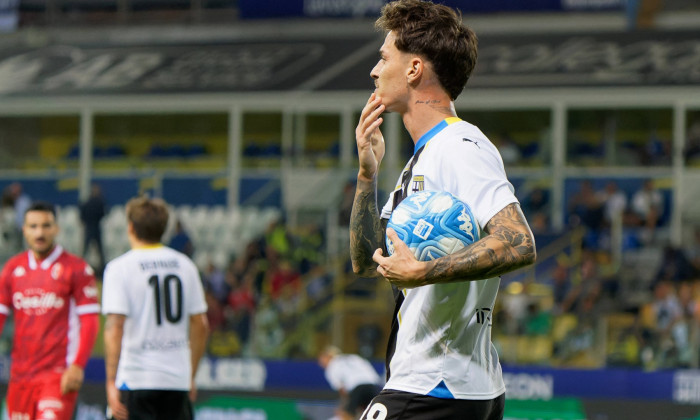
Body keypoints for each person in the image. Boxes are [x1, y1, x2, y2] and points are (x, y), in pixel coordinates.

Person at [349, 1, 536, 419]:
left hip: (435, 384)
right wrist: (367, 176)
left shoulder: (460, 147)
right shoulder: (424, 157)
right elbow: (366, 261)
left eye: (384, 57)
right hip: (448, 384)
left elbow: (518, 242)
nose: (375, 71)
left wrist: (424, 272)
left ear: (414, 69)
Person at [102, 196, 209, 420]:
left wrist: (111, 381)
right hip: (176, 381)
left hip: (135, 380)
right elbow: (201, 325)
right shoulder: (185, 265)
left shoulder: (120, 268)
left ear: (130, 227)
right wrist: (190, 375)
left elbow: (115, 326)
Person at [0, 201, 100, 420]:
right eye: (33, 226)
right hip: (20, 377)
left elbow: (90, 321)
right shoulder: (12, 269)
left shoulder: (76, 268)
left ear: (57, 228)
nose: (40, 232)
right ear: (24, 230)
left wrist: (77, 366)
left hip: (58, 375)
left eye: (46, 226)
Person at [318, 345, 383, 420]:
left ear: (328, 356)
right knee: (376, 414)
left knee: (347, 415)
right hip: (375, 387)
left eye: (322, 359)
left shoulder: (332, 366)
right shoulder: (354, 357)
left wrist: (344, 407)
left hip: (357, 388)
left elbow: (342, 390)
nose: (320, 363)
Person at [80, 183, 107, 271]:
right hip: (96, 227)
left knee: (86, 250)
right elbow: (103, 214)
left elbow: (82, 215)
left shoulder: (87, 202)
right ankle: (102, 269)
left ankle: (80, 266)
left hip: (89, 228)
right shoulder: (99, 202)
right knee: (99, 251)